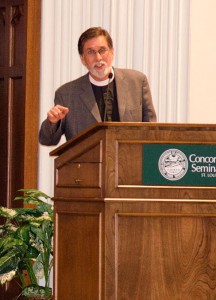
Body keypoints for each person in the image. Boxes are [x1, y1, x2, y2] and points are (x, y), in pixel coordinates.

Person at [39, 27, 157, 146]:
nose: (98, 58)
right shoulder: (66, 94)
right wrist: (52, 122)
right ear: (82, 59)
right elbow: (47, 140)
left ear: (112, 52)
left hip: (130, 161)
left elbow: (152, 132)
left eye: (102, 50)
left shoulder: (136, 82)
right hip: (87, 163)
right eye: (91, 52)